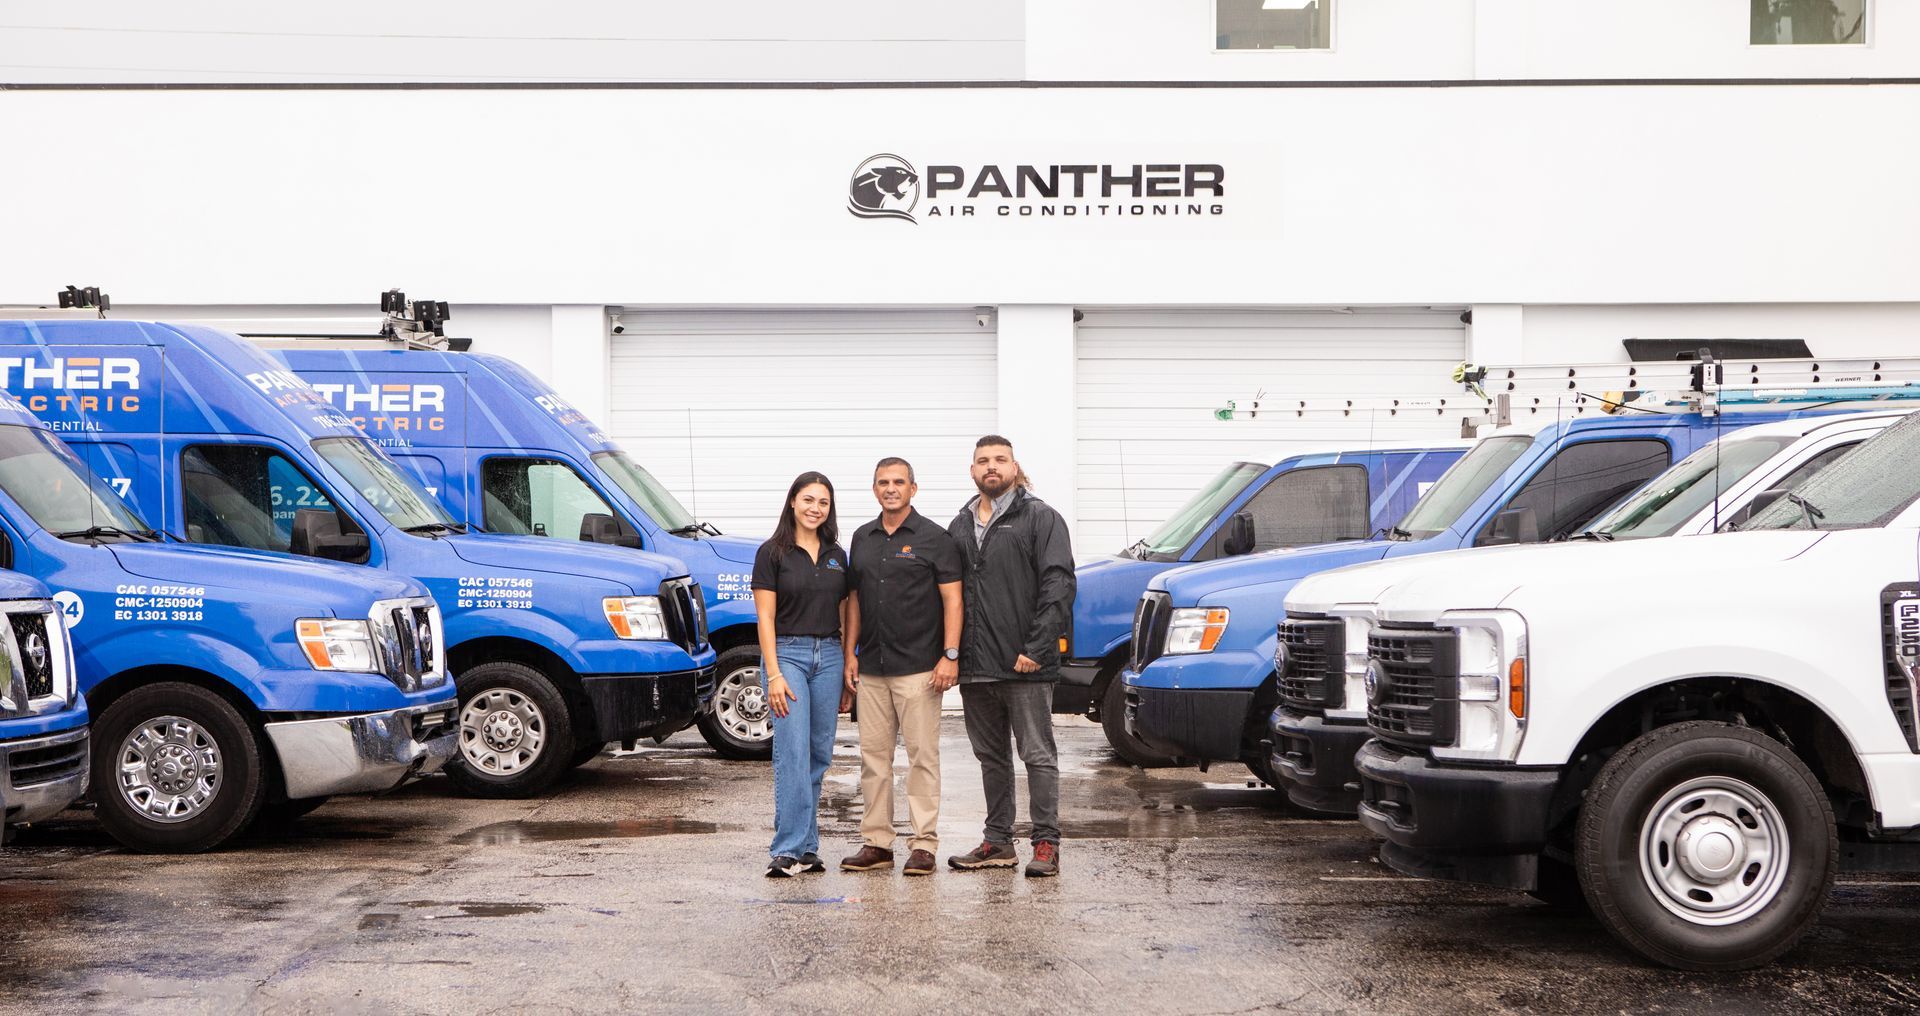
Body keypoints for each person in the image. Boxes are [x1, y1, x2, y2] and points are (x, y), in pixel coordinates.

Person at [944, 435, 1075, 878]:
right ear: (973, 471)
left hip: (1026, 665)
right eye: (983, 461)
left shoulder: (1040, 518)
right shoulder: (959, 526)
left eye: (1000, 460)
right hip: (977, 666)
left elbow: (1058, 585)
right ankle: (998, 842)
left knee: (1037, 754)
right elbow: (949, 596)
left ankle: (1045, 843)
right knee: (991, 757)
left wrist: (1037, 649)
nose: (991, 467)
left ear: (1015, 467)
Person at [839, 457, 963, 877]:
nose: (890, 488)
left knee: (921, 758)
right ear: (874, 489)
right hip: (871, 667)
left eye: (898, 482)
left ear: (914, 487)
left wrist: (949, 655)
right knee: (873, 760)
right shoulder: (862, 537)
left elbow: (953, 600)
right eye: (882, 482)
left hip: (919, 670)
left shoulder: (935, 538)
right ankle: (877, 842)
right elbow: (853, 600)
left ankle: (923, 845)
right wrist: (849, 654)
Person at [752, 471, 852, 877]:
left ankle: (808, 848)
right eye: (808, 499)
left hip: (828, 656)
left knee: (817, 755)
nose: (815, 508)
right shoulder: (772, 553)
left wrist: (846, 664)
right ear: (792, 502)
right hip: (787, 656)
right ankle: (787, 848)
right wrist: (773, 674)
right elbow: (765, 617)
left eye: (823, 502)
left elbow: (845, 612)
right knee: (791, 754)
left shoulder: (836, 555)